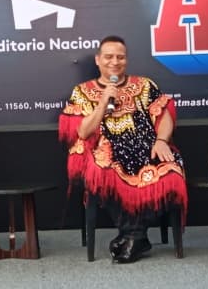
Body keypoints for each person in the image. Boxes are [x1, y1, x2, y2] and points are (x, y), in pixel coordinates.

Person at [58, 35, 187, 264]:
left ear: (126, 60)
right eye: (108, 57)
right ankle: (136, 236)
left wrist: (162, 141)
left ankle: (132, 236)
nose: (114, 62)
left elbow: (164, 114)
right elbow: (83, 132)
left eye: (120, 57)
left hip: (147, 147)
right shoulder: (82, 91)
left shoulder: (145, 85)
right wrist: (103, 102)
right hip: (107, 149)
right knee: (103, 169)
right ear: (98, 60)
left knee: (171, 167)